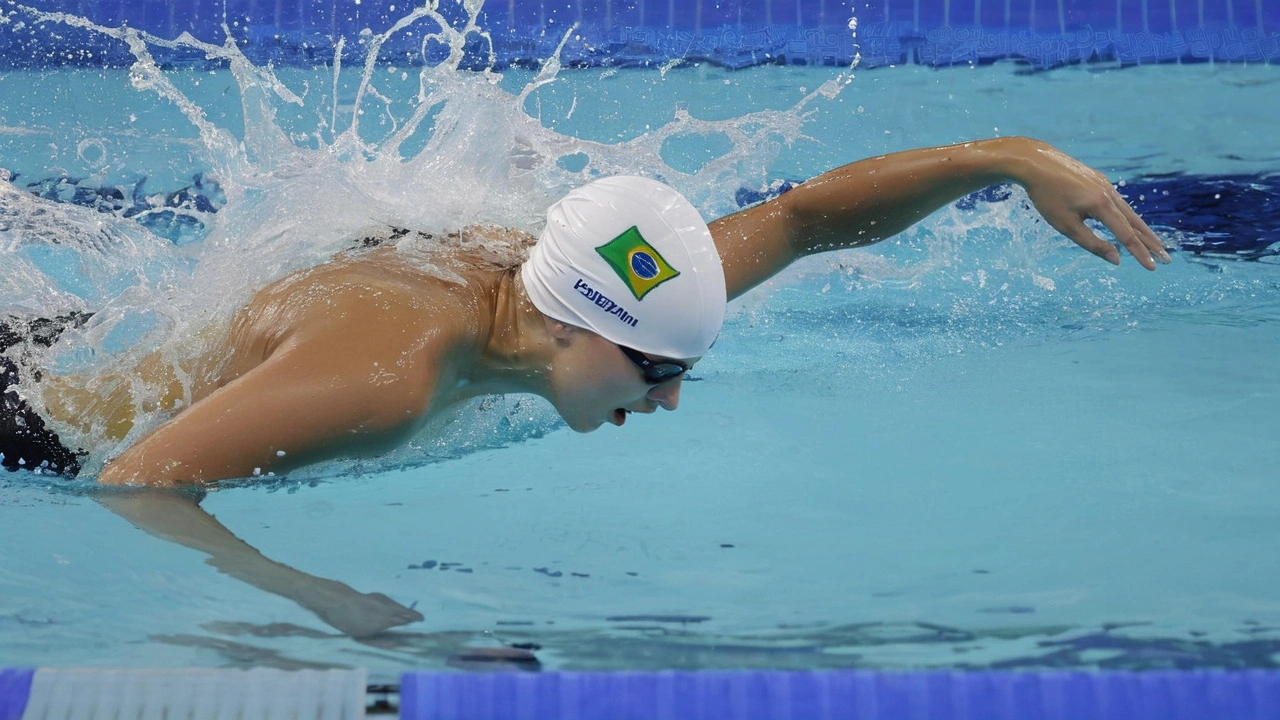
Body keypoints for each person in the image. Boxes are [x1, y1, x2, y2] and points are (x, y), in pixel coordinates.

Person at [1, 136, 1168, 636]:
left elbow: (804, 219)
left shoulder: (576, 282)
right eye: (655, 372)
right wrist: (317, 600)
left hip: (98, 335)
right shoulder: (388, 381)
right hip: (35, 418)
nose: (665, 401)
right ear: (571, 328)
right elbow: (139, 481)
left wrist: (1007, 159)